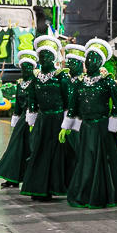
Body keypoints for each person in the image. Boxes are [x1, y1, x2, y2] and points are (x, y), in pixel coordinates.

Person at [59, 39, 117, 208]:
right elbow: (74, 105)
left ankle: (103, 194)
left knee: (102, 161)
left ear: (101, 62)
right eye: (88, 58)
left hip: (103, 127)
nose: (90, 61)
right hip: (86, 127)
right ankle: (84, 193)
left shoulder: (107, 81)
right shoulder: (80, 82)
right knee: (86, 160)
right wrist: (66, 126)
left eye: (94, 58)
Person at [21, 35, 77, 200]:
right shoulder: (36, 78)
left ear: (54, 57)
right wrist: (32, 118)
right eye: (42, 55)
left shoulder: (61, 77)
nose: (44, 58)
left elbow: (69, 101)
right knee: (40, 153)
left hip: (58, 120)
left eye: (48, 55)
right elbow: (32, 100)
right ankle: (38, 187)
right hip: (43, 120)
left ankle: (53, 188)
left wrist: (67, 124)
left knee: (57, 154)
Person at [0, 50, 36, 186]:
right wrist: (15, 118)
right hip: (23, 120)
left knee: (31, 149)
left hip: (34, 120)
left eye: (28, 67)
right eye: (23, 67)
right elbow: (17, 104)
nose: (25, 70)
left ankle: (30, 178)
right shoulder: (20, 84)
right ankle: (12, 178)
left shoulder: (36, 82)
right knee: (15, 148)